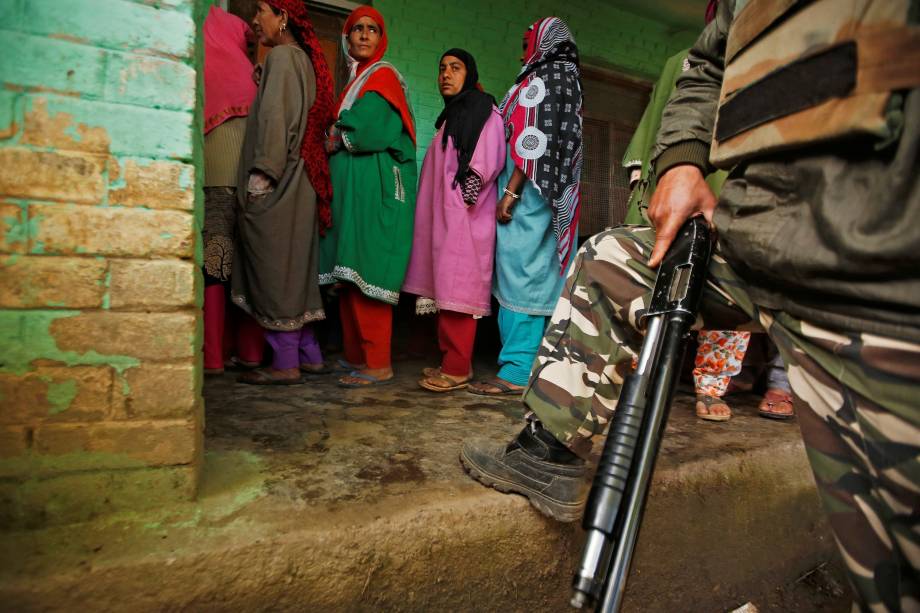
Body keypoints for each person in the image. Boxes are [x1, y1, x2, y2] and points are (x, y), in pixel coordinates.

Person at [462, 0, 919, 608]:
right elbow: (705, 68)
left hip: (884, 273)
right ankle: (546, 452)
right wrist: (679, 159)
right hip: (759, 232)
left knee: (895, 580)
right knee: (610, 260)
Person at [467, 17, 583, 397]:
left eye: (526, 41)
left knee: (525, 276)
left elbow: (534, 140)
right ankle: (533, 366)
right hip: (539, 192)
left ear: (545, 42)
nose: (522, 50)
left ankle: (517, 370)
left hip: (532, 195)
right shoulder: (557, 77)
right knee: (535, 274)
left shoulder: (548, 78)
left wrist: (512, 193)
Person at [232, 0, 335, 385]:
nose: (255, 19)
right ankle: (309, 353)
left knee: (274, 269)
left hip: (280, 181)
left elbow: (276, 119)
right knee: (294, 270)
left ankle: (285, 363)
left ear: (284, 17)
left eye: (262, 10)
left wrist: (263, 174)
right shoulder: (302, 61)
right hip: (301, 182)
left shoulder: (283, 59)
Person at [321, 6, 417, 388]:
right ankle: (357, 357)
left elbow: (370, 130)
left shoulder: (383, 78)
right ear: (347, 38)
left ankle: (378, 363)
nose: (363, 34)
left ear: (381, 38)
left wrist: (335, 135)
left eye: (372, 29)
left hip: (377, 190)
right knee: (348, 275)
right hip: (355, 192)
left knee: (368, 272)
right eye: (356, 29)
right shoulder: (357, 80)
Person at [402, 50, 506, 393]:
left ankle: (459, 368)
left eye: (455, 68)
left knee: (458, 292)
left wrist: (462, 202)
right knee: (445, 291)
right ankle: (451, 361)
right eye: (442, 68)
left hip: (463, 217)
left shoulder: (482, 109)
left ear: (470, 72)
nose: (445, 74)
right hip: (446, 217)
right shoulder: (451, 116)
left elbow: (487, 156)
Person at [201, 6, 265, 376]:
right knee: (248, 261)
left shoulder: (203, 64)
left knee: (215, 263)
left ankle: (212, 357)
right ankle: (252, 352)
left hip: (216, 173)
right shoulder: (251, 76)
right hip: (254, 179)